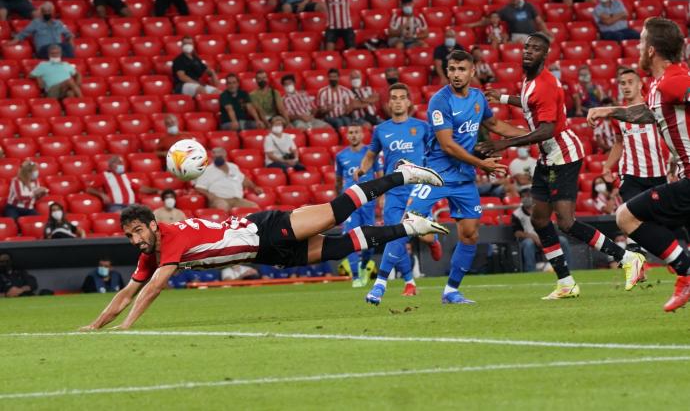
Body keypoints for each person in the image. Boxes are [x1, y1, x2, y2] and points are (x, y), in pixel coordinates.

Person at [78, 163, 448, 330]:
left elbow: (156, 287)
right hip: (264, 252)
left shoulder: (170, 238)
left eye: (139, 231)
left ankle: (402, 174)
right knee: (338, 249)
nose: (136, 240)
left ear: (153, 226)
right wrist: (96, 325)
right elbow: (128, 290)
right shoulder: (149, 251)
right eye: (130, 236)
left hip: (263, 230)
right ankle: (409, 226)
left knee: (335, 215)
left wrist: (127, 326)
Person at [477, 32, 645, 298]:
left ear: (544, 56)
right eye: (526, 47)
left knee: (566, 222)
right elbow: (529, 101)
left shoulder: (543, 84)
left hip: (564, 155)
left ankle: (626, 258)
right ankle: (565, 282)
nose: (527, 52)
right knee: (539, 218)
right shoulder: (531, 80)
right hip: (548, 157)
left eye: (534, 49)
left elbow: (546, 130)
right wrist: (504, 98)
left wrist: (503, 144)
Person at [385, 50, 525, 305]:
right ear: (447, 71)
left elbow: (495, 126)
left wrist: (529, 135)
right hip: (437, 176)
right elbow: (448, 145)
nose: (456, 74)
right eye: (452, 69)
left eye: (461, 69)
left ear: (472, 71)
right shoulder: (440, 101)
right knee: (407, 224)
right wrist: (483, 164)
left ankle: (451, 291)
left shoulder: (478, 98)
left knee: (470, 234)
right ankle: (382, 284)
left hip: (464, 179)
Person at [586, 18, 690, 311]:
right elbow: (648, 112)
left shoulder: (674, 80)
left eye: (642, 42)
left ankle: (685, 271)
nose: (638, 47)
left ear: (653, 50)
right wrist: (610, 111)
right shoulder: (660, 85)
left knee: (626, 217)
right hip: (684, 177)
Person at [356, 83, 444, 303]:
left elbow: (436, 151)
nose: (397, 101)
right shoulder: (381, 130)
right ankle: (382, 285)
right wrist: (362, 169)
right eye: (393, 97)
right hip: (393, 191)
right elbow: (371, 155)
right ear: (388, 103)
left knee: (424, 236)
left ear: (408, 102)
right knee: (396, 235)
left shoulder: (422, 127)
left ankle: (432, 242)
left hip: (418, 190)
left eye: (401, 97)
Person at [601, 69, 668, 203]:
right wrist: (607, 166)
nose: (626, 86)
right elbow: (619, 143)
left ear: (639, 85)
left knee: (659, 219)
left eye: (630, 82)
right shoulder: (618, 115)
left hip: (659, 173)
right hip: (631, 175)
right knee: (632, 216)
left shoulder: (653, 107)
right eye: (623, 83)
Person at [335, 125, 381, 287]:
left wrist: (381, 197)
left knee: (370, 240)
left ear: (362, 135)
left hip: (368, 202)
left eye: (356, 132)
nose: (353, 135)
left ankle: (364, 265)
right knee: (349, 238)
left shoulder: (371, 154)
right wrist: (337, 201)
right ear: (347, 136)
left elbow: (380, 176)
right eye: (350, 133)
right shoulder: (341, 156)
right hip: (349, 203)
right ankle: (355, 277)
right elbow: (338, 180)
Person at [513, 189, 571, 272]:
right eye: (523, 196)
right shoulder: (517, 214)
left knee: (563, 241)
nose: (526, 198)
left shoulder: (542, 209)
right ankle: (530, 272)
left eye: (528, 195)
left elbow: (549, 225)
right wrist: (533, 237)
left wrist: (545, 237)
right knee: (528, 244)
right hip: (530, 240)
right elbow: (517, 233)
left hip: (545, 236)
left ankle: (567, 269)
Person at [468, 0, 551, 43]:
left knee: (547, 41)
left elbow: (539, 21)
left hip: (532, 34)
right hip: (517, 36)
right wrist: (471, 25)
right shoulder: (505, 10)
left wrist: (546, 32)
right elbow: (490, 20)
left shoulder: (528, 6)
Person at [193, 147, 262, 211]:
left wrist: (254, 188)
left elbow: (243, 180)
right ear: (212, 158)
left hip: (237, 199)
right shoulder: (207, 171)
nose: (218, 159)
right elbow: (199, 187)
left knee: (254, 207)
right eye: (215, 157)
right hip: (220, 199)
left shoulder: (233, 167)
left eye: (220, 157)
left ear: (225, 157)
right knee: (222, 206)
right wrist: (210, 195)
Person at [86, 155, 159, 213]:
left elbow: (141, 188)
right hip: (116, 206)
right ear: (111, 165)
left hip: (132, 206)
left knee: (148, 213)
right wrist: (102, 195)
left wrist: (156, 190)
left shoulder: (126, 176)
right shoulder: (104, 175)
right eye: (119, 163)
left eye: (122, 163)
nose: (122, 165)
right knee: (125, 216)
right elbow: (89, 189)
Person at [6, 2, 74, 59]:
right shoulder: (36, 23)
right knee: (56, 51)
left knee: (67, 47)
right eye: (45, 11)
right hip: (44, 49)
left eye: (49, 11)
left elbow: (68, 34)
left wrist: (70, 39)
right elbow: (23, 34)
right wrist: (13, 41)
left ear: (53, 12)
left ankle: (66, 65)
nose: (47, 13)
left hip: (58, 47)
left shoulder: (58, 23)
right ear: (42, 12)